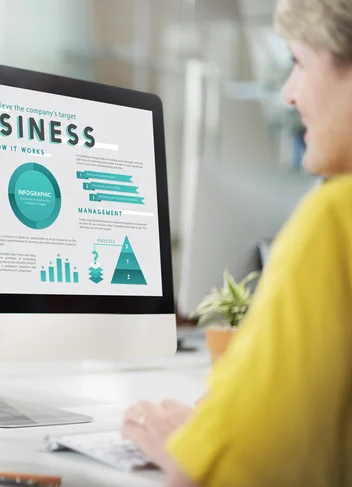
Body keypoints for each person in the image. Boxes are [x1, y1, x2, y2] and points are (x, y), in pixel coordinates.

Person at [121, 0, 352, 485]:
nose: (289, 93)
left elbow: (241, 469)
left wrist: (191, 444)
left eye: (299, 63)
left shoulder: (335, 218)